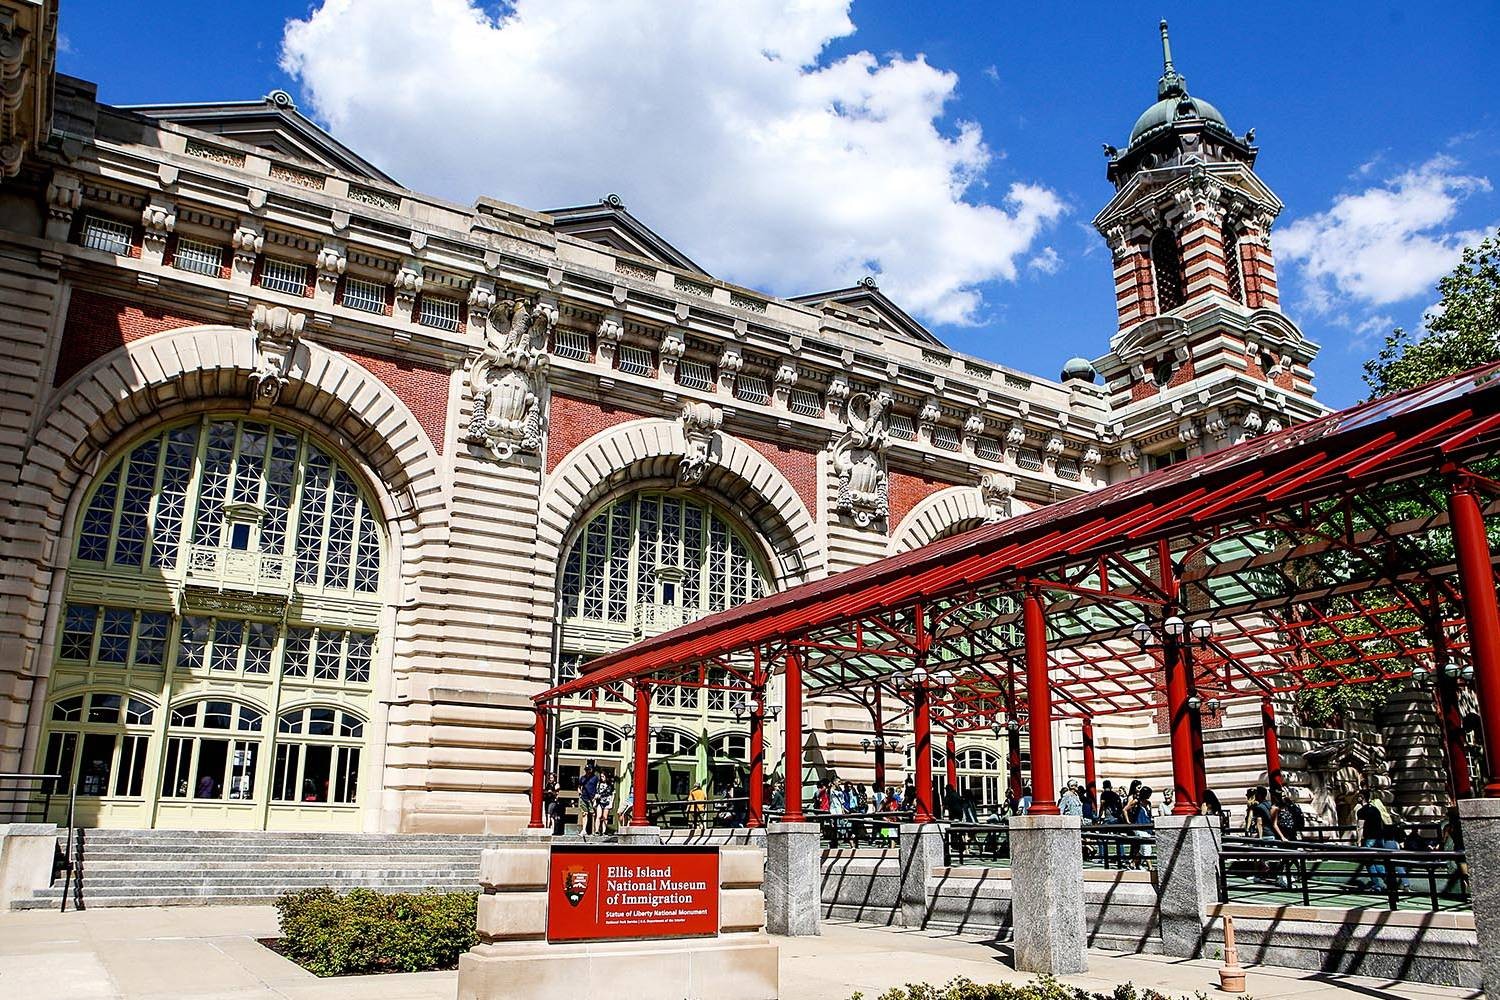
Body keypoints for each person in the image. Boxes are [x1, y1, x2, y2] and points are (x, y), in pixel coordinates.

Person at [579, 760, 600, 836]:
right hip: (584, 798)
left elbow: (598, 787)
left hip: (592, 798)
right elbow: (579, 786)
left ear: (591, 770)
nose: (587, 771)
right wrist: (580, 793)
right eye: (586, 770)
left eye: (588, 769)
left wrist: (596, 796)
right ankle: (584, 830)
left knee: (593, 814)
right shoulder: (582, 778)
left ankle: (594, 830)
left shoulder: (595, 778)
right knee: (584, 813)